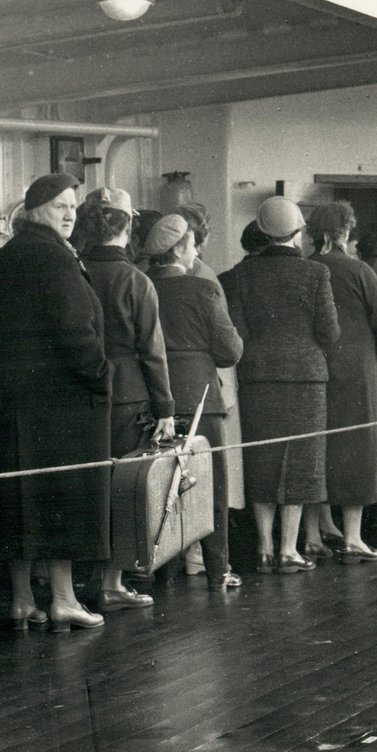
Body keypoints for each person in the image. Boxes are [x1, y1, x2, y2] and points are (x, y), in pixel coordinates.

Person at [0, 173, 113, 632]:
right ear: (33, 211)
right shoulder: (53, 257)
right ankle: (63, 599)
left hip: (10, 399)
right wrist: (100, 378)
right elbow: (76, 329)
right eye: (60, 206)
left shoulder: (7, 255)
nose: (70, 213)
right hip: (59, 403)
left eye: (73, 205)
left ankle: (20, 600)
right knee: (61, 497)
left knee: (18, 500)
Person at [219, 197, 339, 574]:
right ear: (298, 232)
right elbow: (330, 331)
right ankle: (290, 548)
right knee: (302, 463)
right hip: (305, 378)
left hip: (257, 378)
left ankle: (265, 546)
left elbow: (236, 333)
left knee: (262, 459)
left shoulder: (237, 276)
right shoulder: (315, 273)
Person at [80, 189, 175, 607]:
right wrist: (166, 408)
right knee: (123, 488)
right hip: (129, 396)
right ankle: (111, 582)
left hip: (81, 391)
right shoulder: (136, 281)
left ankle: (77, 583)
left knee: (88, 486)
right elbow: (152, 351)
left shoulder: (75, 270)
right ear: (128, 226)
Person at [144, 214, 245, 588]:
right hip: (201, 397)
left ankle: (161, 571)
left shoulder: (143, 285)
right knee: (210, 487)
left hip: (154, 398)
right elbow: (230, 351)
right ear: (181, 249)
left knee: (156, 486)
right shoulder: (202, 289)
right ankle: (218, 569)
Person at [303, 202, 377, 564]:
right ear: (345, 231)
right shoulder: (358, 270)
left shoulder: (306, 268)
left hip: (315, 370)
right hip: (357, 370)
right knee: (357, 450)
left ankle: (313, 534)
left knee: (318, 449)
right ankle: (353, 537)